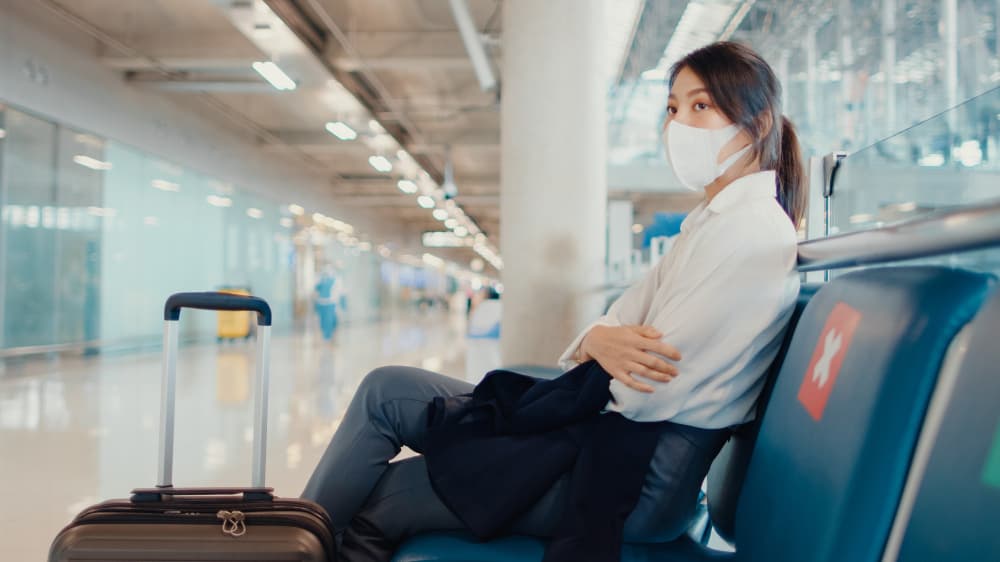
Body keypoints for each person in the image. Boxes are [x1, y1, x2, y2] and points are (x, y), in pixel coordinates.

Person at [302, 41, 804, 560]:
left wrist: (601, 346)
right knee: (385, 388)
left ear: (759, 123)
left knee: (387, 496)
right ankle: (295, 542)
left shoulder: (748, 235)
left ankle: (300, 549)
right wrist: (601, 340)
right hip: (609, 443)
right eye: (673, 108)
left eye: (701, 106)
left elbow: (644, 388)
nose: (678, 124)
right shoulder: (708, 225)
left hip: (634, 482)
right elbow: (611, 327)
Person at [314, 265, 342, 341]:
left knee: (329, 320)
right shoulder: (320, 279)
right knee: (323, 320)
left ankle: (328, 336)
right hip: (322, 302)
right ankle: (326, 336)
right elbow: (316, 290)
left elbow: (338, 292)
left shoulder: (335, 280)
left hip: (330, 302)